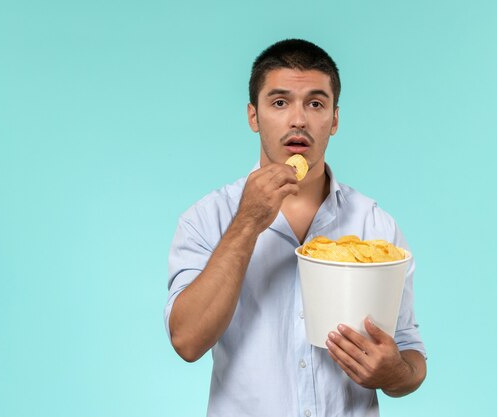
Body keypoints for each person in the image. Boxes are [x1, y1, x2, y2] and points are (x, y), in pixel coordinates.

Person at [165, 39, 426, 416]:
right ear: (253, 116)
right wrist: (248, 222)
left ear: (334, 119)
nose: (298, 119)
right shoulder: (208, 218)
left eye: (316, 103)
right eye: (280, 102)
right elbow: (187, 341)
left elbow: (409, 352)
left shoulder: (374, 225)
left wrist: (395, 372)